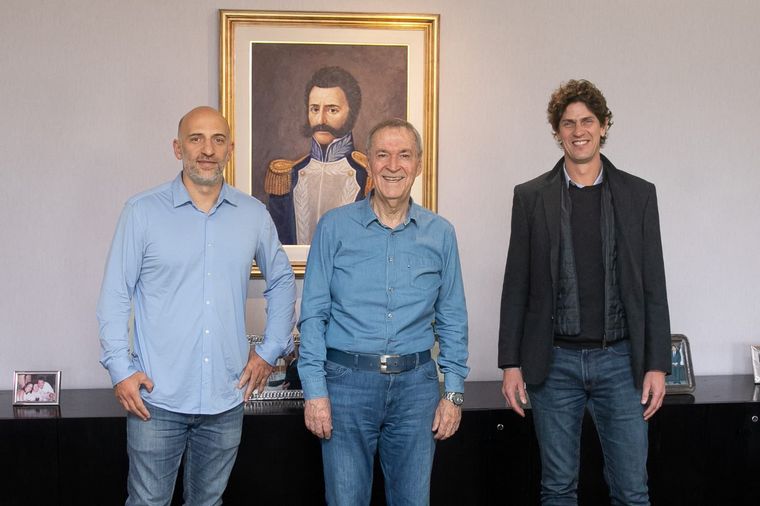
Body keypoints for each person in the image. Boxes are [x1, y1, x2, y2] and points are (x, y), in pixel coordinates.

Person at [97, 106, 296, 505]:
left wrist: (270, 350)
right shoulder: (142, 212)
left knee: (208, 503)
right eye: (196, 138)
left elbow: (281, 279)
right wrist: (121, 369)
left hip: (225, 398)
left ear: (230, 150)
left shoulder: (253, 215)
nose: (208, 149)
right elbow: (116, 294)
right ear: (177, 148)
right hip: (156, 398)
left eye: (218, 140)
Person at [498, 79, 671, 505]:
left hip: (622, 363)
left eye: (588, 121)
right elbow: (516, 282)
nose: (579, 131)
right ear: (557, 132)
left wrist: (657, 365)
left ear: (605, 126)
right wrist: (510, 363)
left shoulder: (639, 194)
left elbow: (653, 285)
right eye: (568, 123)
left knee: (632, 490)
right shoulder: (530, 197)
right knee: (557, 488)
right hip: (553, 364)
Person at [298, 119, 469, 505]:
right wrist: (315, 391)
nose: (393, 165)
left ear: (419, 164)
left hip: (417, 389)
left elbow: (453, 318)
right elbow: (313, 315)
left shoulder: (441, 233)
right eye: (383, 155)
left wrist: (454, 392)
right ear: (368, 164)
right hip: (345, 387)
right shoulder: (334, 228)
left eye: (404, 155)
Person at [266, 66, 370, 245]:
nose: (321, 120)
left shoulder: (368, 176)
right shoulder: (285, 176)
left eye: (332, 110)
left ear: (352, 113)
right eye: (315, 109)